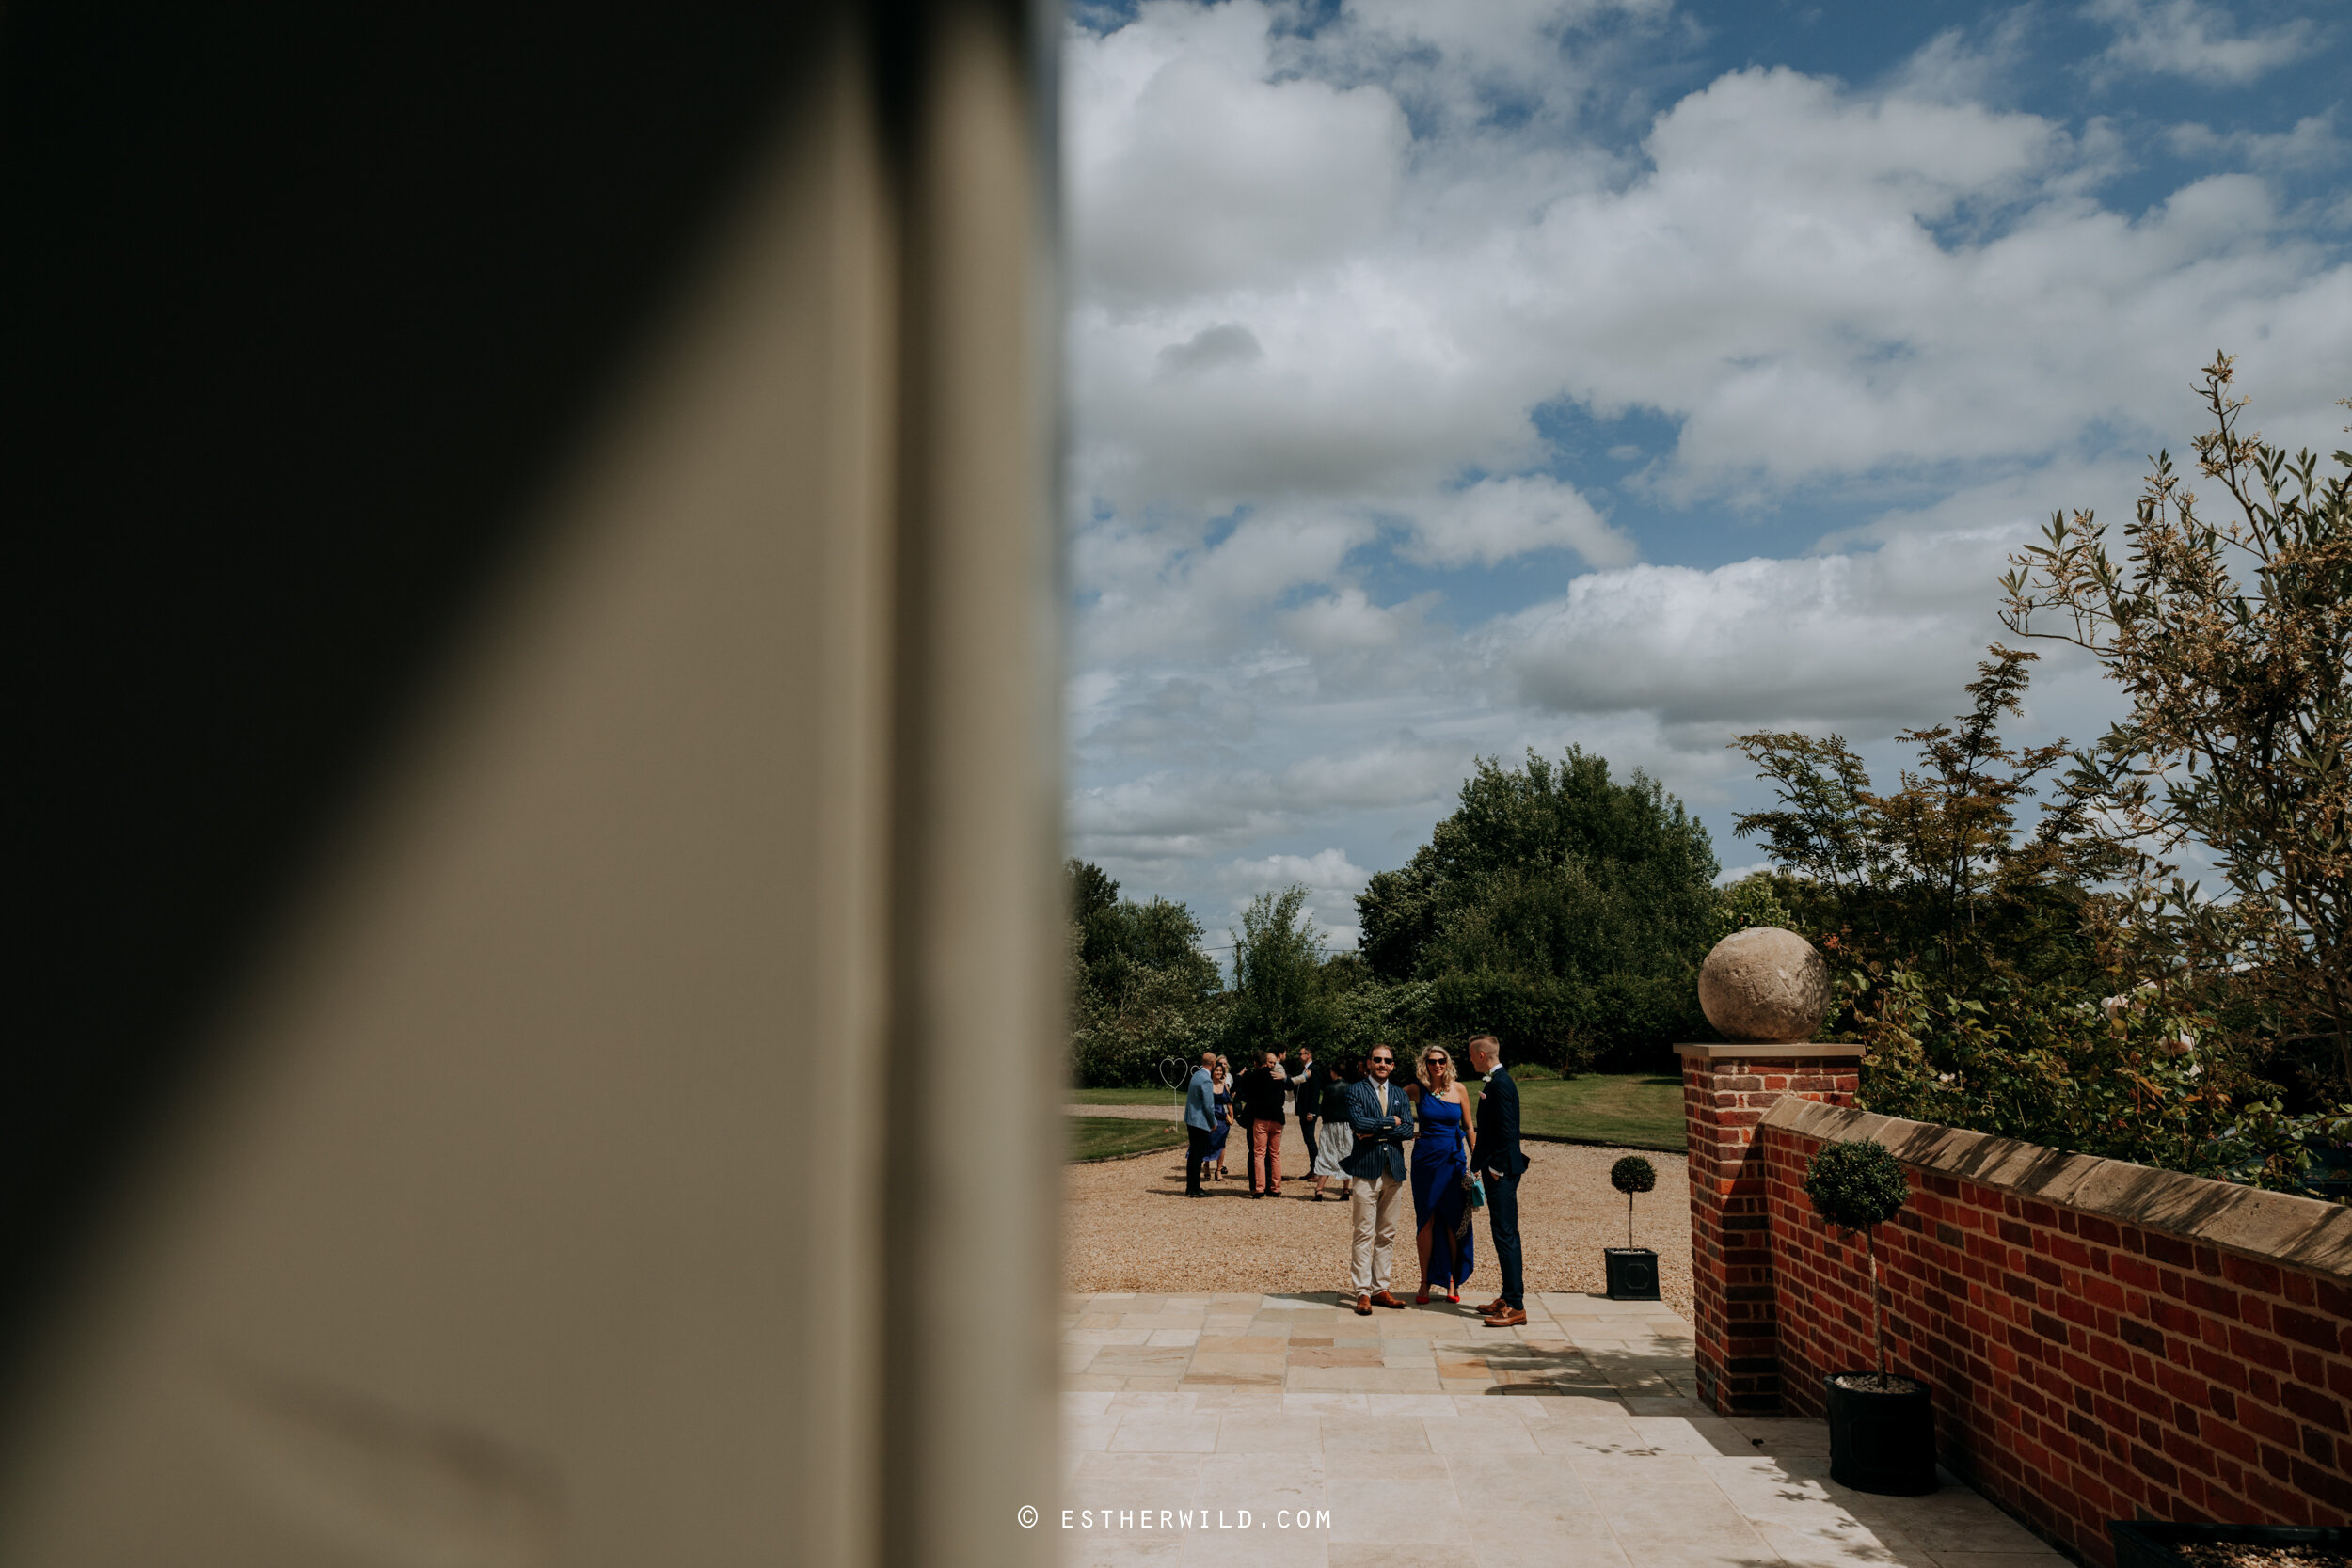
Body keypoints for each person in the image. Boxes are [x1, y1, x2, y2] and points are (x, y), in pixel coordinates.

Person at [1339, 1045, 1416, 1315]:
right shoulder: (1355, 1090)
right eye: (1378, 1060)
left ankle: (1380, 1288)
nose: (1383, 1064)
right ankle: (1362, 1291)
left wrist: (1378, 1128)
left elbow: (1408, 1128)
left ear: (1393, 1065)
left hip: (1393, 1170)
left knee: (1387, 1233)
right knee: (1363, 1233)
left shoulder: (1399, 1093)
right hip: (1366, 1170)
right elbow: (1358, 1124)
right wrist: (1390, 1123)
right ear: (1369, 1063)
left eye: (1388, 1061)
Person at [1466, 1034, 1531, 1326]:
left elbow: (1507, 1131)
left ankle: (1516, 1306)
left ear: (1481, 1055)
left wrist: (1496, 1169)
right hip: (1495, 1169)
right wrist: (1476, 1166)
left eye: (1470, 1055)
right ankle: (1508, 1295)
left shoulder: (1501, 1084)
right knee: (1502, 1233)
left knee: (1506, 1235)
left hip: (1502, 1172)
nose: (1468, 1059)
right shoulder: (1496, 1081)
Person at [1409, 1043, 1476, 1305]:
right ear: (1424, 1064)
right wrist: (1405, 1130)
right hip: (1425, 1162)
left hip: (1453, 1161)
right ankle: (1424, 1281)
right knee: (1426, 1220)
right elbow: (1391, 1102)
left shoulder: (1459, 1088)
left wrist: (1476, 1158)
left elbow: (1469, 1126)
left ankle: (1451, 1280)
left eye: (1442, 1061)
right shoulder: (1417, 1089)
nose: (1437, 1065)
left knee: (1453, 1220)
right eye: (1432, 1061)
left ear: (1447, 1063)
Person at [1232, 1047, 1290, 1196]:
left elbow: (1241, 1090)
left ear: (1255, 1063)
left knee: (1259, 1154)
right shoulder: (1277, 1076)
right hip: (1277, 1118)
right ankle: (1275, 1187)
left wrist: (1239, 1075)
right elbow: (1284, 1095)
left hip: (1261, 1118)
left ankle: (1259, 1188)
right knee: (1275, 1154)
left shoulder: (1253, 1077)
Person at [1310, 1057, 1358, 1201]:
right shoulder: (1351, 1088)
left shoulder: (1329, 1088)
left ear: (1333, 1072)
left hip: (1330, 1125)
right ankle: (1346, 1189)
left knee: (1326, 1154)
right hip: (1347, 1126)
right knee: (1346, 1154)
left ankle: (1319, 1190)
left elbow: (1323, 1108)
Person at [1182, 1050, 1217, 1198]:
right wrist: (1213, 1122)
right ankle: (1195, 1187)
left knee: (1193, 1155)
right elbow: (1208, 1105)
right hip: (1200, 1122)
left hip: (1191, 1119)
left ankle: (1191, 1186)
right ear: (1213, 1064)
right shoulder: (1206, 1080)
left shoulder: (1196, 1075)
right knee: (1198, 1155)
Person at [1292, 1042, 1325, 1196]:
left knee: (1310, 1139)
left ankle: (1317, 1170)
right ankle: (1313, 1168)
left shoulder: (1314, 1071)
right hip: (1303, 1110)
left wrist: (1312, 1110)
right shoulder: (1304, 1071)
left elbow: (1315, 1092)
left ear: (1308, 1055)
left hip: (1310, 1111)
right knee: (1307, 1139)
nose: (1299, 1057)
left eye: (1301, 1054)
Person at [1204, 1055, 1233, 1181]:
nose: (1219, 1072)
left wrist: (1231, 1116)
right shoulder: (1207, 1085)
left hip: (1221, 1118)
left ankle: (1218, 1170)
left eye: (1221, 1071)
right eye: (1216, 1070)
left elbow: (1229, 1102)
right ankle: (1206, 1165)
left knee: (1221, 1144)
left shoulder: (1223, 1086)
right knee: (1207, 1142)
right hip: (1209, 1117)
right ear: (1212, 1071)